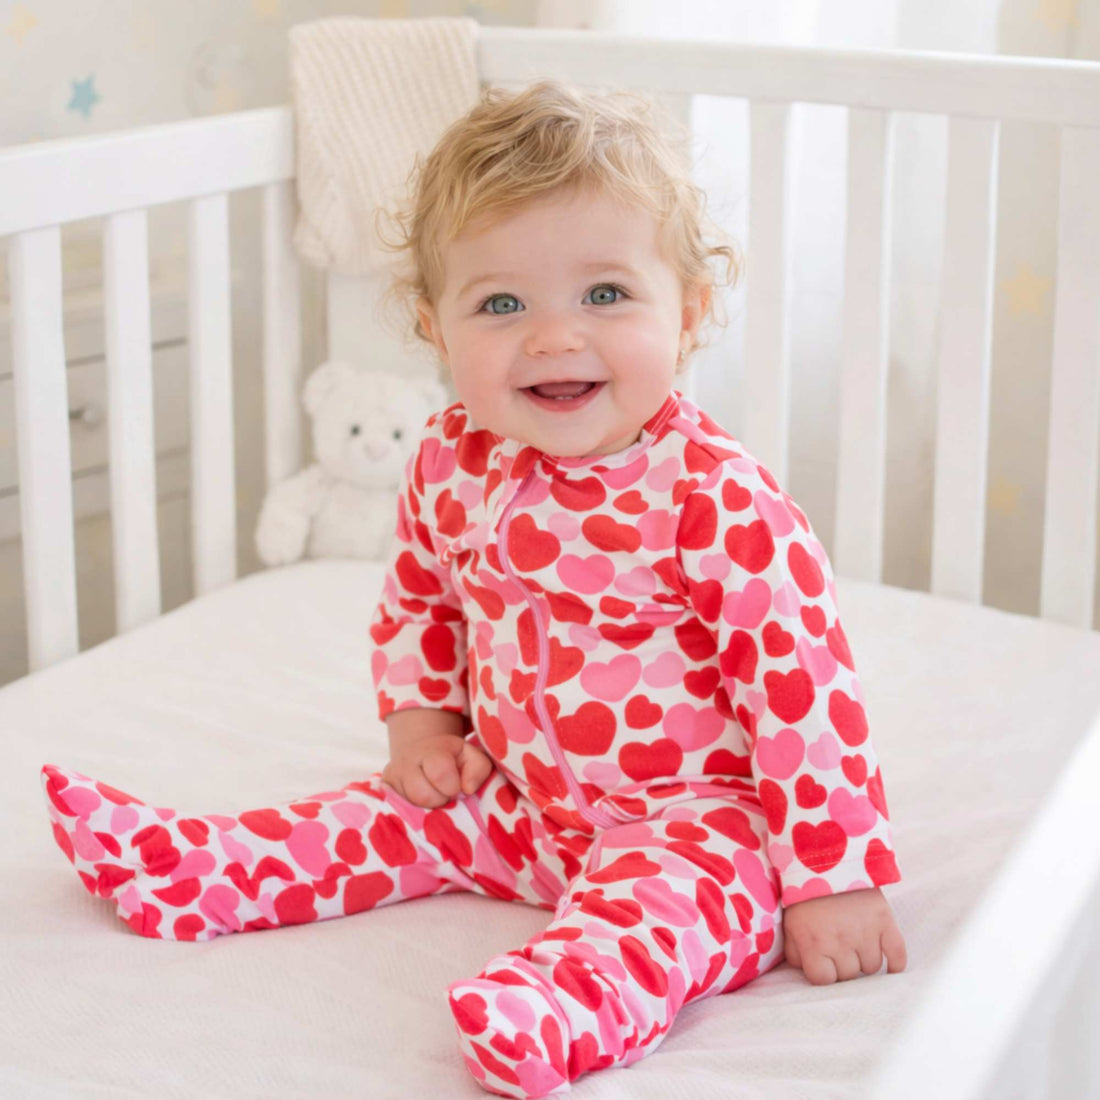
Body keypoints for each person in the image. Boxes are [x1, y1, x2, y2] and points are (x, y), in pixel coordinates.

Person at [41, 79, 906, 1099]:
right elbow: (419, 600)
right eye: (500, 303)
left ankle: (558, 1006)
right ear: (433, 326)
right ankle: (204, 866)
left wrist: (833, 878)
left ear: (688, 314)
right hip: (521, 799)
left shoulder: (715, 498)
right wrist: (423, 731)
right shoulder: (453, 455)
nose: (551, 336)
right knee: (388, 816)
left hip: (694, 818)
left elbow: (802, 693)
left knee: (663, 908)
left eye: (604, 294)